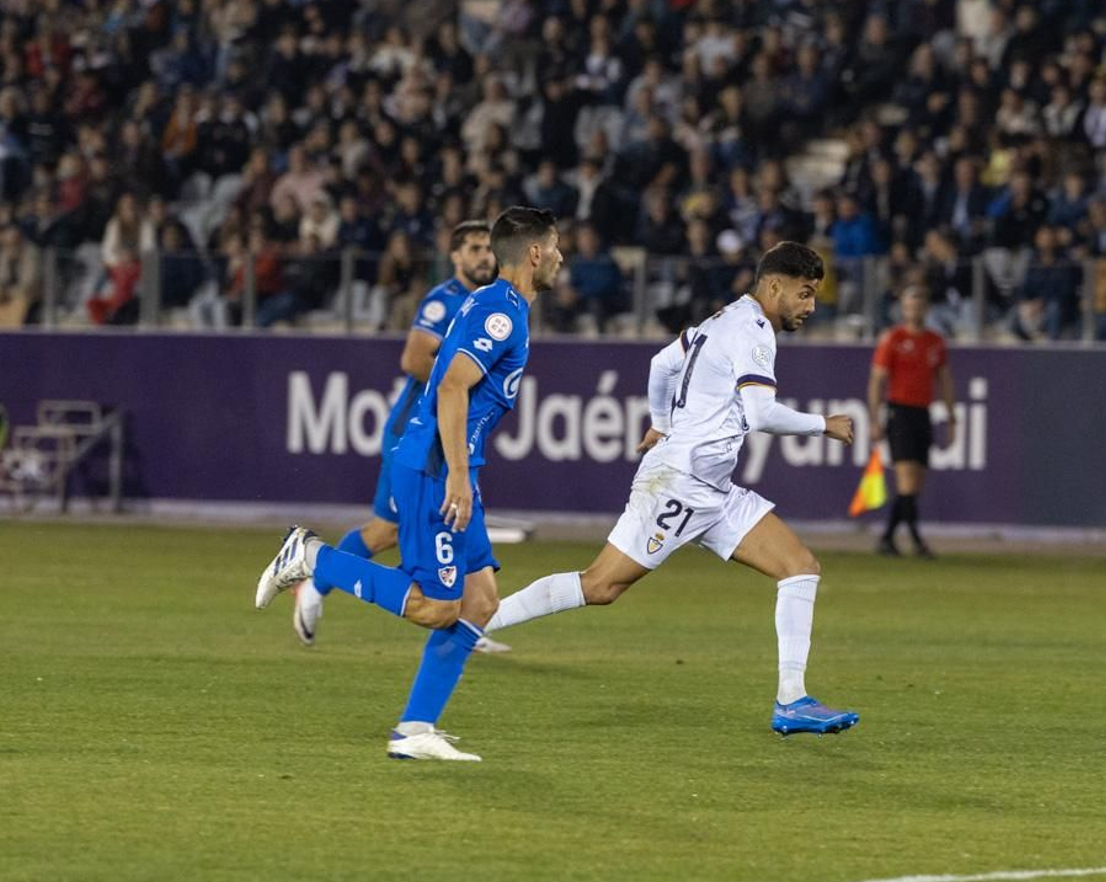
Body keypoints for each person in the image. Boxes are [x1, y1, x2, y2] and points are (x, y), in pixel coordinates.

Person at [482, 242, 861, 737]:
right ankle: (476, 623)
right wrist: (823, 424)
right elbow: (761, 413)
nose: (811, 306)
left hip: (712, 489)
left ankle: (792, 700)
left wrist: (661, 422)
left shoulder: (719, 321)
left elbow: (662, 363)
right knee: (601, 586)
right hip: (679, 485)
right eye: (805, 294)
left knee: (799, 567)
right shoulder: (753, 331)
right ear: (774, 286)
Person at [254, 207, 563, 761]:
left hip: (450, 464)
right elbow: (449, 388)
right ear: (535, 254)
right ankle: (312, 557)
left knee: (480, 599)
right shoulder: (500, 311)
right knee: (437, 607)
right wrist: (461, 480)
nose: (562, 257)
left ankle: (415, 729)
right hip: (435, 469)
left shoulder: (504, 305)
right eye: (557, 247)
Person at [292, 220, 511, 653]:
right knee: (386, 531)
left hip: (441, 437)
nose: (484, 255)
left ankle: (468, 611)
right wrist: (465, 382)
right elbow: (413, 358)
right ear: (455, 257)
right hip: (414, 435)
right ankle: (316, 584)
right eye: (474, 248)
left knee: (444, 517)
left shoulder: (486, 303)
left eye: (489, 248)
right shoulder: (442, 301)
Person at [867, 285, 955, 559]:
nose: (914, 311)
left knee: (915, 484)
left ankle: (887, 538)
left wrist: (952, 417)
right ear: (903, 309)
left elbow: (944, 380)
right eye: (909, 306)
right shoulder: (893, 339)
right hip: (900, 413)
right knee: (906, 481)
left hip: (922, 414)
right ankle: (916, 541)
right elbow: (877, 380)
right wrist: (875, 418)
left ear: (926, 309)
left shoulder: (935, 342)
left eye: (918, 306)